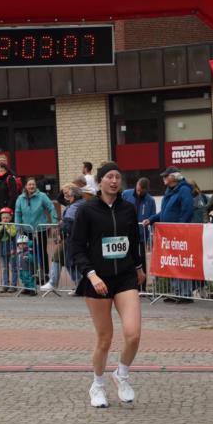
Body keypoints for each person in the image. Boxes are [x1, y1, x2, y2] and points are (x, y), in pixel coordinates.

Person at [70, 162, 146, 408]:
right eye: (109, 177)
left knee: (133, 335)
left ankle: (121, 375)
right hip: (97, 279)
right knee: (105, 339)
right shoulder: (87, 210)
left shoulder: (128, 209)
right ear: (100, 181)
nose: (114, 181)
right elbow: (76, 248)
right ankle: (98, 385)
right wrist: (91, 275)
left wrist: (138, 267)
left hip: (124, 277)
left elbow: (133, 242)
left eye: (117, 177)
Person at [147, 166, 195, 303]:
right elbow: (164, 212)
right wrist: (151, 220)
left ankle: (185, 294)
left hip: (179, 233)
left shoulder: (184, 190)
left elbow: (187, 211)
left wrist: (178, 226)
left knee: (181, 262)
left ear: (173, 177)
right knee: (173, 262)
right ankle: (177, 292)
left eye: (165, 176)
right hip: (170, 234)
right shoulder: (169, 191)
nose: (163, 178)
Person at [14, 177, 58, 283]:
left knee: (42, 253)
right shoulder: (20, 198)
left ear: (36, 186)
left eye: (33, 184)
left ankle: (45, 276)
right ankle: (33, 275)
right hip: (26, 230)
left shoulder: (42, 196)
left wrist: (54, 221)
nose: (31, 186)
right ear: (26, 186)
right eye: (29, 184)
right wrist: (17, 227)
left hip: (40, 229)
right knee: (29, 253)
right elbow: (17, 213)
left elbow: (51, 207)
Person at [122, 177, 156, 273]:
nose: (139, 193)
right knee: (127, 257)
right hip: (126, 233)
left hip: (141, 236)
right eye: (138, 190)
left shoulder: (150, 200)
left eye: (142, 191)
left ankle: (143, 284)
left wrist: (150, 238)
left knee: (141, 259)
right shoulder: (126, 194)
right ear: (136, 185)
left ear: (146, 190)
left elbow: (152, 217)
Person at [0, 207, 18, 291]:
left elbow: (13, 233)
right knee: (4, 268)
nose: (5, 220)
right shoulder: (0, 226)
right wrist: (0, 229)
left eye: (7, 218)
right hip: (3, 249)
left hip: (11, 249)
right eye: (3, 218)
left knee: (13, 268)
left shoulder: (12, 226)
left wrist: (7, 227)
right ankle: (5, 284)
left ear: (10, 218)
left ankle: (14, 285)